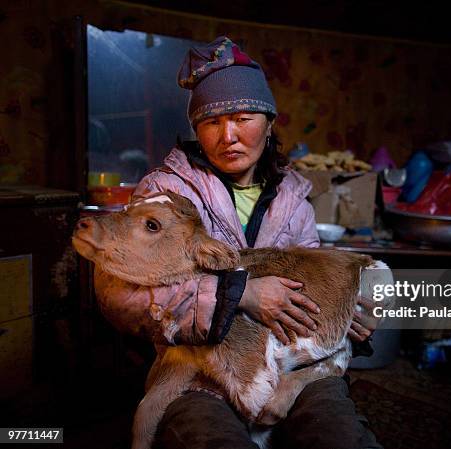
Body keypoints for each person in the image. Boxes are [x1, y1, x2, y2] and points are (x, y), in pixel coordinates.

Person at [94, 36, 381, 449]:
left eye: (243, 117)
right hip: (197, 372)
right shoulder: (166, 194)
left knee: (339, 435)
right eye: (211, 122)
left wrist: (348, 312)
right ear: (197, 129)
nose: (228, 135)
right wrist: (239, 294)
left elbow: (317, 277)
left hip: (291, 367)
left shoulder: (293, 198)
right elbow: (117, 294)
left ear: (269, 122)